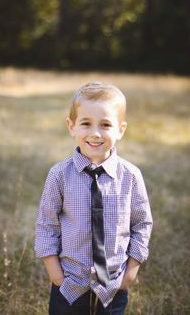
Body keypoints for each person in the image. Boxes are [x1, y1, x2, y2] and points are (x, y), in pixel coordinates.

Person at [35, 81, 153, 315]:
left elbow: (142, 224)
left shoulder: (130, 176)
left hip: (113, 286)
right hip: (69, 285)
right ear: (72, 127)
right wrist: (56, 275)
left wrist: (130, 273)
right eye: (86, 123)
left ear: (121, 129)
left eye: (106, 124)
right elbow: (46, 224)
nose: (95, 133)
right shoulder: (59, 174)